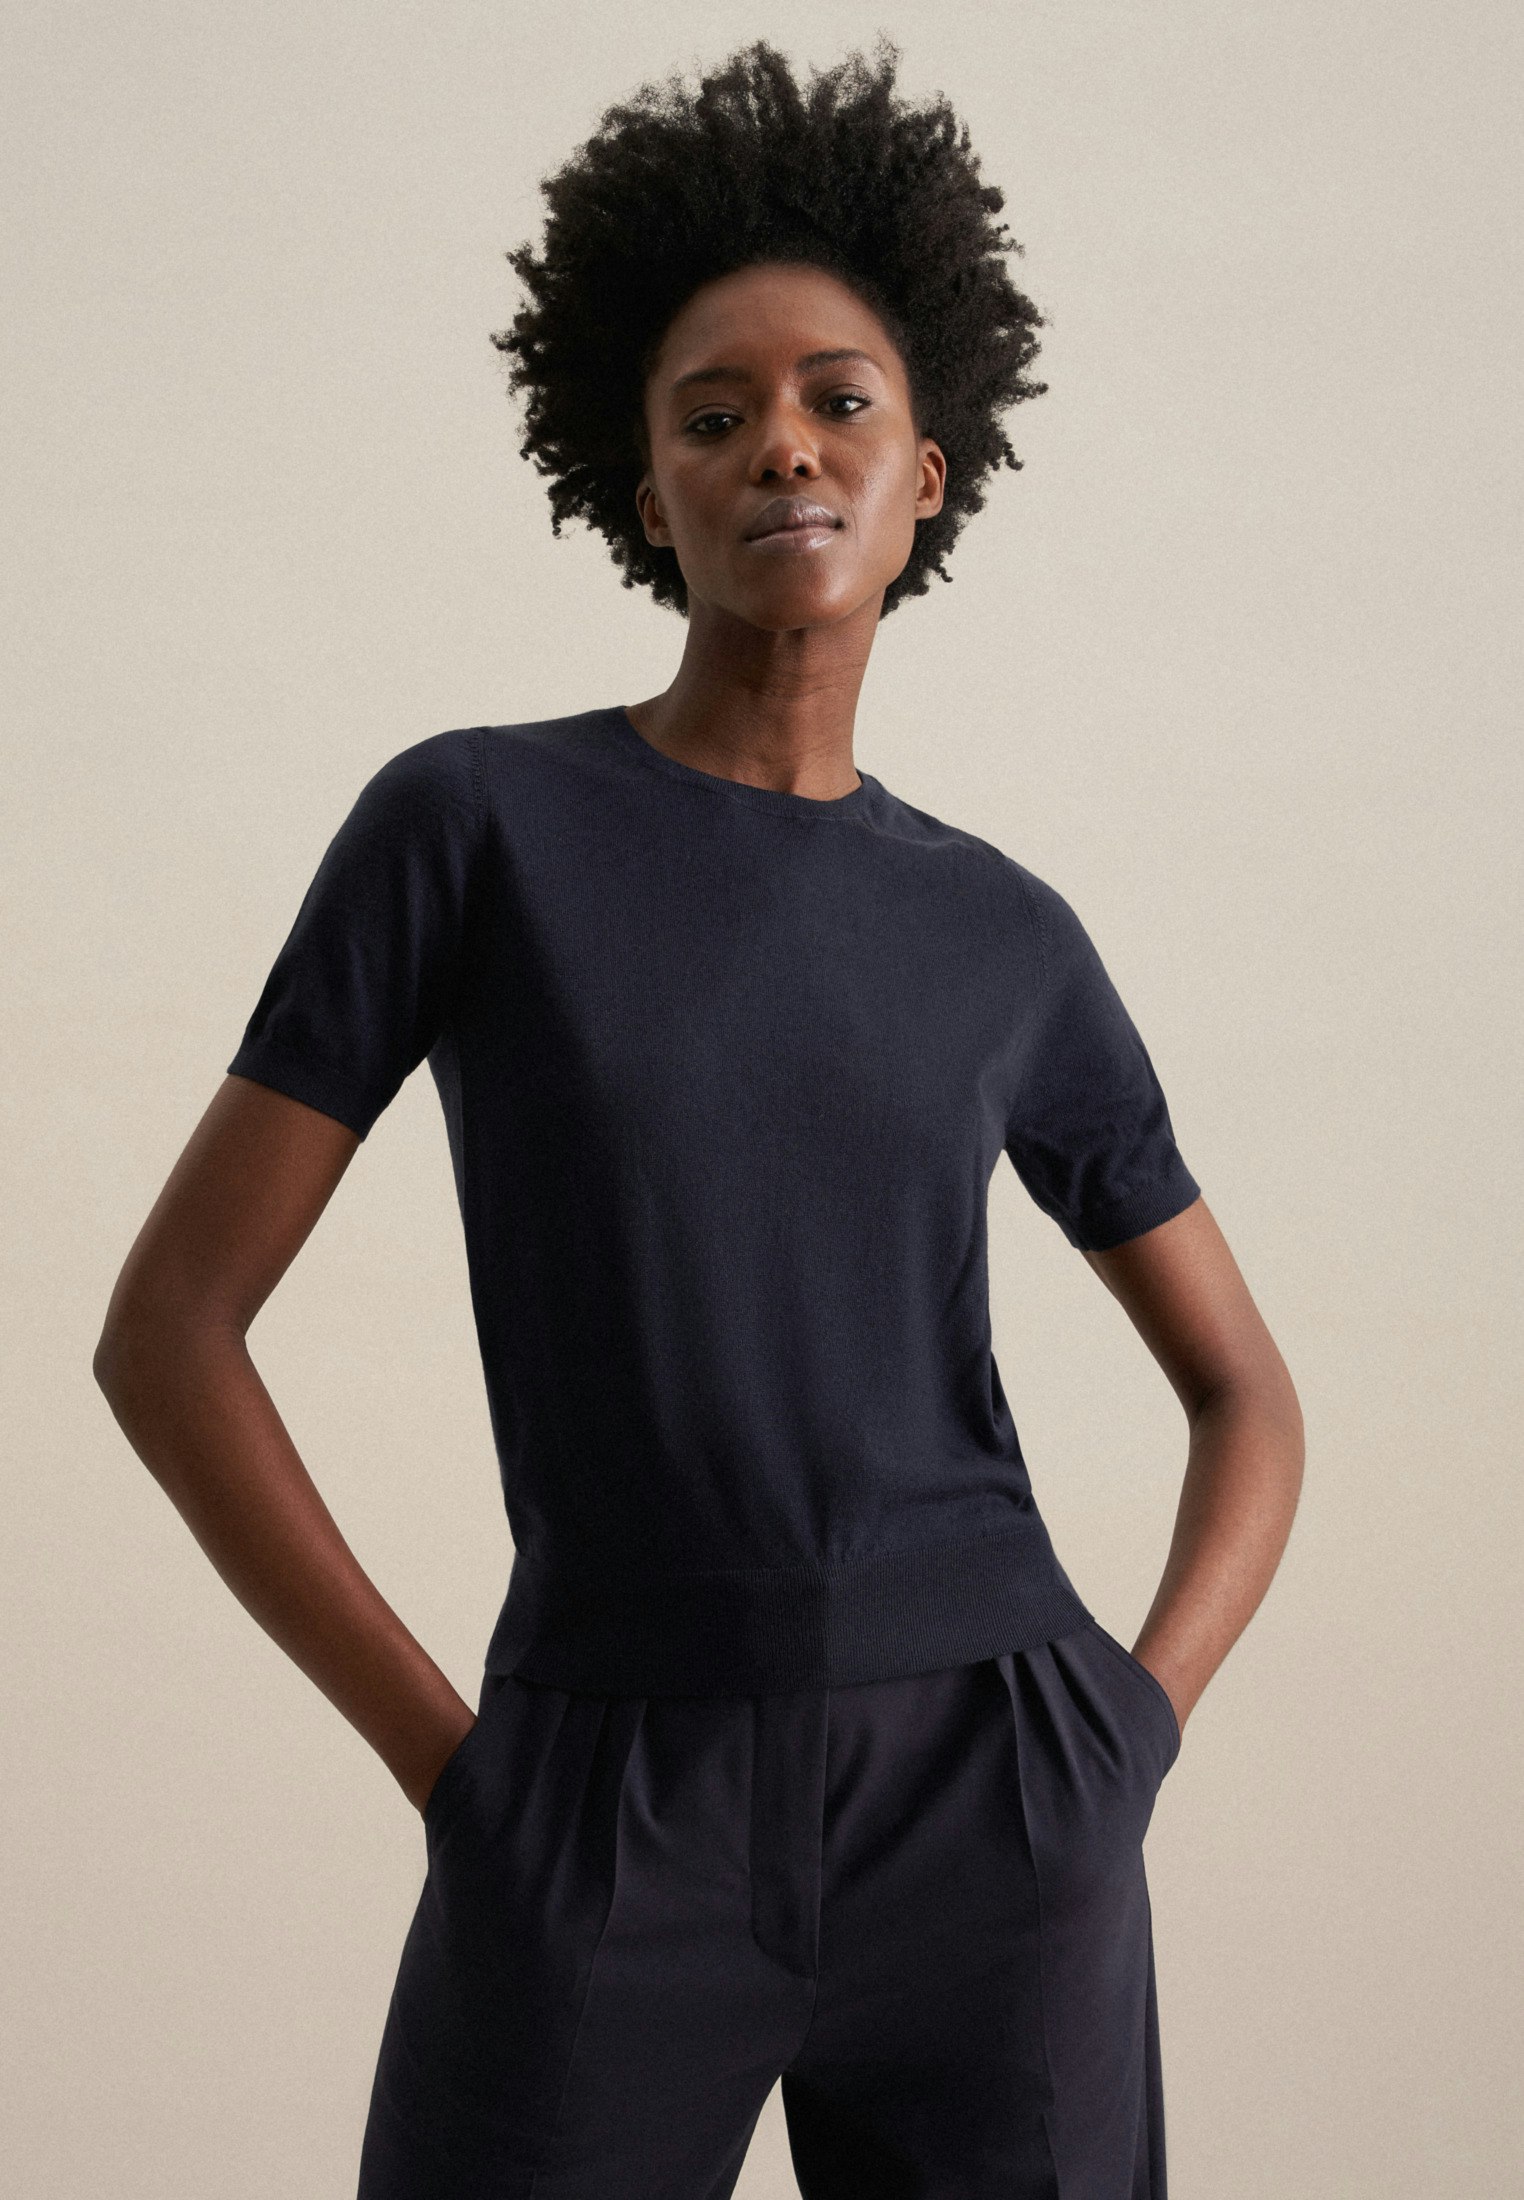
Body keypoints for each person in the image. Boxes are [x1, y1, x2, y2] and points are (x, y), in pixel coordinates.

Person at [93, 36, 1304, 2199]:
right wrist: (460, 1774)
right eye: (714, 414)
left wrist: (1127, 1731)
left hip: (996, 1802)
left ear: (928, 475)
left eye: (841, 400)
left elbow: (1248, 1392)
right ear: (644, 490)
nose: (784, 446)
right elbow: (167, 1334)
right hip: (600, 1797)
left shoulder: (1004, 930)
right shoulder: (474, 827)